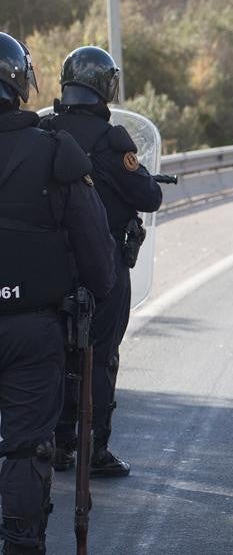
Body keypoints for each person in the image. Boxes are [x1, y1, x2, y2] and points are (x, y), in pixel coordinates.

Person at [0, 32, 116, 554]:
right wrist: (97, 290)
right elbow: (94, 247)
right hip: (31, 327)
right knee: (26, 448)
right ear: (21, 83)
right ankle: (23, 544)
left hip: (32, 323)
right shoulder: (53, 151)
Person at [43, 46, 164, 479]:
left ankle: (58, 444)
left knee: (55, 351)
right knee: (101, 352)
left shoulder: (45, 130)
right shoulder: (113, 140)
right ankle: (95, 449)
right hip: (105, 262)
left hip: (51, 262)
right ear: (103, 89)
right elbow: (148, 196)